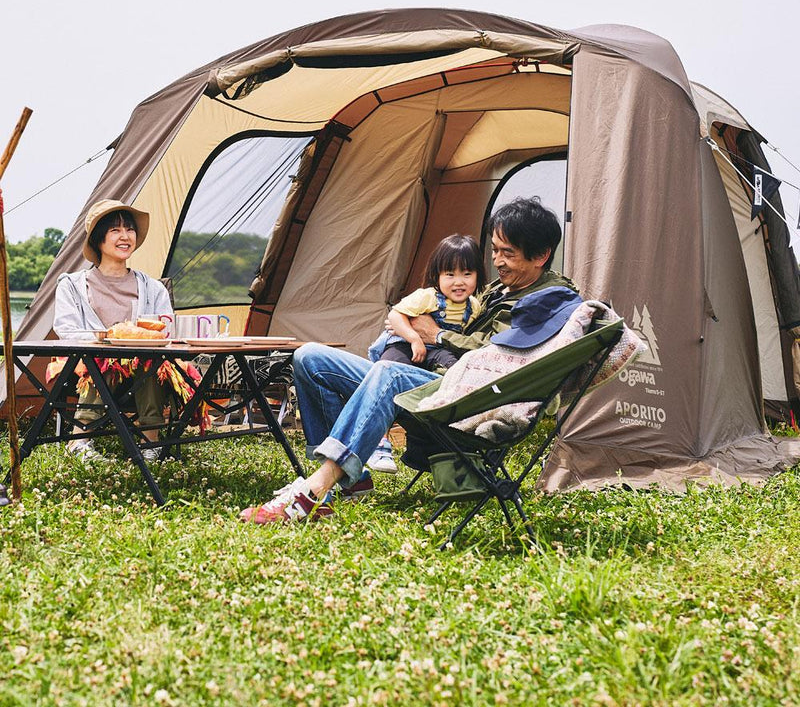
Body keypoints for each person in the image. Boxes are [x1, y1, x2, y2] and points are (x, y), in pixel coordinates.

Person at [240, 196, 577, 524]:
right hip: (433, 380)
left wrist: (437, 336)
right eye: (494, 249)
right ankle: (351, 478)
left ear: (541, 255)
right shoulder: (501, 288)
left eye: (508, 253)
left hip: (465, 400)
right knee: (310, 358)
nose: (498, 261)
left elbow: (494, 356)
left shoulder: (545, 301)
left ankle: (316, 489)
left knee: (389, 373)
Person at [53, 199, 173, 462]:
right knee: (104, 359)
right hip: (89, 367)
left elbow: (167, 330)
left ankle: (150, 443)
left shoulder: (153, 288)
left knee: (150, 360)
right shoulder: (71, 285)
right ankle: (79, 441)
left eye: (129, 229)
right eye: (115, 230)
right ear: (99, 239)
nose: (125, 236)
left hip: (143, 368)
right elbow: (66, 329)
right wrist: (108, 338)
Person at [369, 234, 486, 371]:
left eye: (467, 274)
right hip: (405, 345)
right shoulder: (428, 296)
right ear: (437, 276)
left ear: (478, 275)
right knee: (390, 366)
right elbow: (395, 315)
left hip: (437, 349)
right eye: (450, 274)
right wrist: (414, 339)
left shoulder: (474, 306)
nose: (459, 282)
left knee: (454, 367)